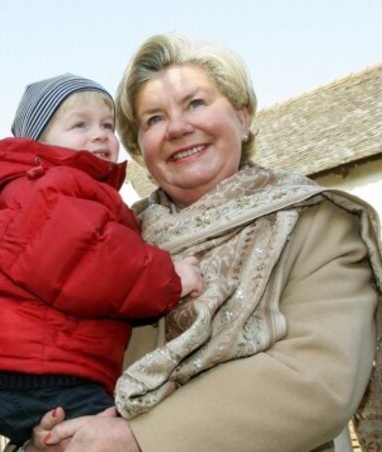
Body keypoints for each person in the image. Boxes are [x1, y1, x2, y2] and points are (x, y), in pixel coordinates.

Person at [22, 32, 382, 452]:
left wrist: (136, 438)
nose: (177, 128)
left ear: (243, 118)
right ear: (140, 150)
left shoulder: (318, 223)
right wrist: (51, 430)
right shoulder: (110, 241)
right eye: (154, 119)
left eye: (196, 103)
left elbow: (318, 378)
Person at [0, 74, 202, 445]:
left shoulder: (55, 188)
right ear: (35, 143)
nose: (101, 135)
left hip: (26, 375)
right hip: (48, 374)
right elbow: (95, 260)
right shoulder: (51, 186)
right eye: (80, 124)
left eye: (108, 125)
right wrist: (171, 279)